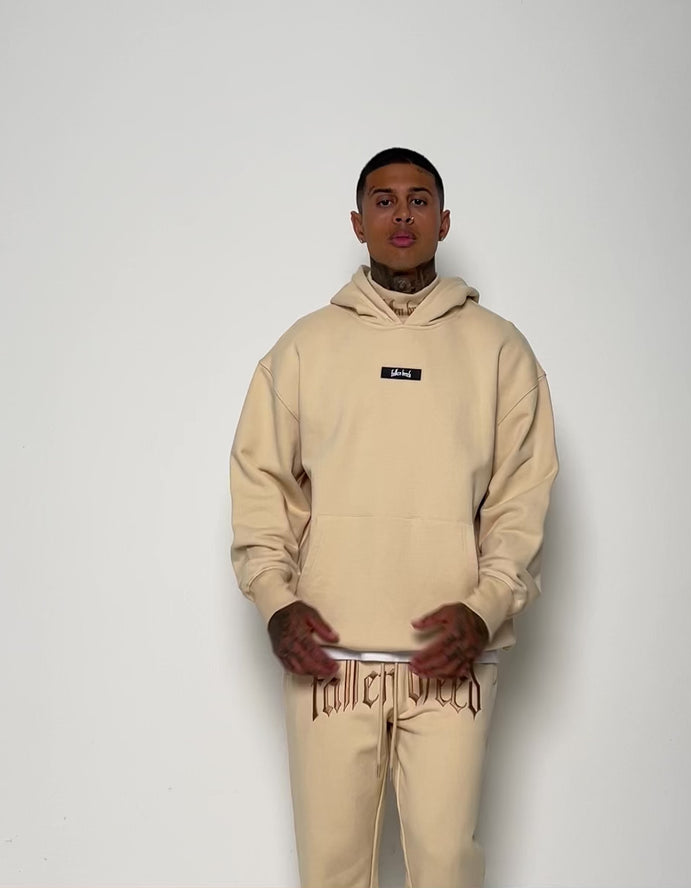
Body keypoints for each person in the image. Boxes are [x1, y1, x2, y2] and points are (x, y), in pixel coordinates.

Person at [229, 147, 559, 888]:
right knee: (330, 871)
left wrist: (486, 607)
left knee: (445, 868)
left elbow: (522, 497)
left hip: (450, 656)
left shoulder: (500, 350)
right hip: (329, 657)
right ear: (358, 222)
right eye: (384, 200)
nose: (401, 215)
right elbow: (260, 485)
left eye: (418, 200)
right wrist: (276, 601)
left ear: (444, 220)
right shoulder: (305, 348)